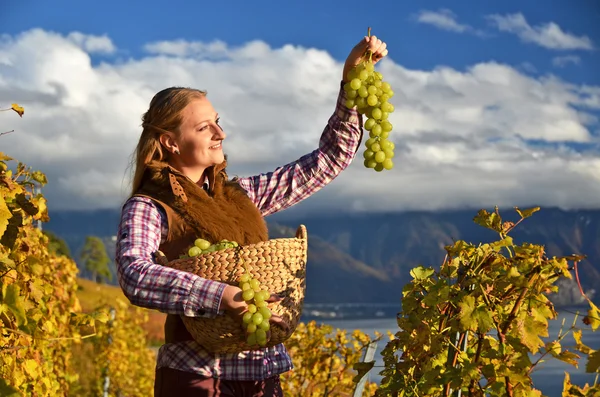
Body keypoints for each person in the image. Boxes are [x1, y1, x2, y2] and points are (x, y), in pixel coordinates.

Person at [115, 34, 389, 397]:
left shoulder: (241, 195)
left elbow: (328, 159)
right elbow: (134, 274)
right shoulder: (150, 206)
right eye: (204, 127)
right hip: (196, 379)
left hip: (262, 375)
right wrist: (220, 296)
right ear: (169, 141)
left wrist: (352, 76)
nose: (220, 133)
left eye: (217, 122)